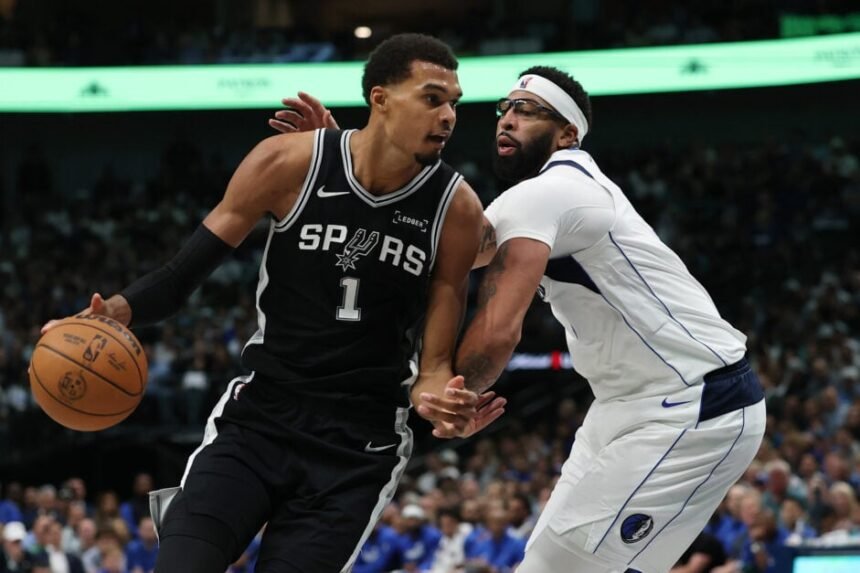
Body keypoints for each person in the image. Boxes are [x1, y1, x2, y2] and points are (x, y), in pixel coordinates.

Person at [42, 33, 505, 573]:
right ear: (380, 98)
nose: (449, 115)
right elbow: (179, 277)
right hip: (260, 418)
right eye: (432, 98)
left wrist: (436, 400)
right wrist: (110, 313)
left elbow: (433, 365)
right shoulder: (289, 163)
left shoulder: (457, 208)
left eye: (455, 103)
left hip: (358, 447)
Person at [283, 64, 766, 572]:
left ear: (567, 133)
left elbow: (499, 326)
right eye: (504, 109)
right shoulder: (536, 201)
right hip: (627, 405)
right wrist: (349, 163)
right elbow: (434, 247)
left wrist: (452, 395)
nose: (507, 120)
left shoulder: (552, 191)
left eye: (528, 111)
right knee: (547, 563)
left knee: (570, 566)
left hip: (696, 403)